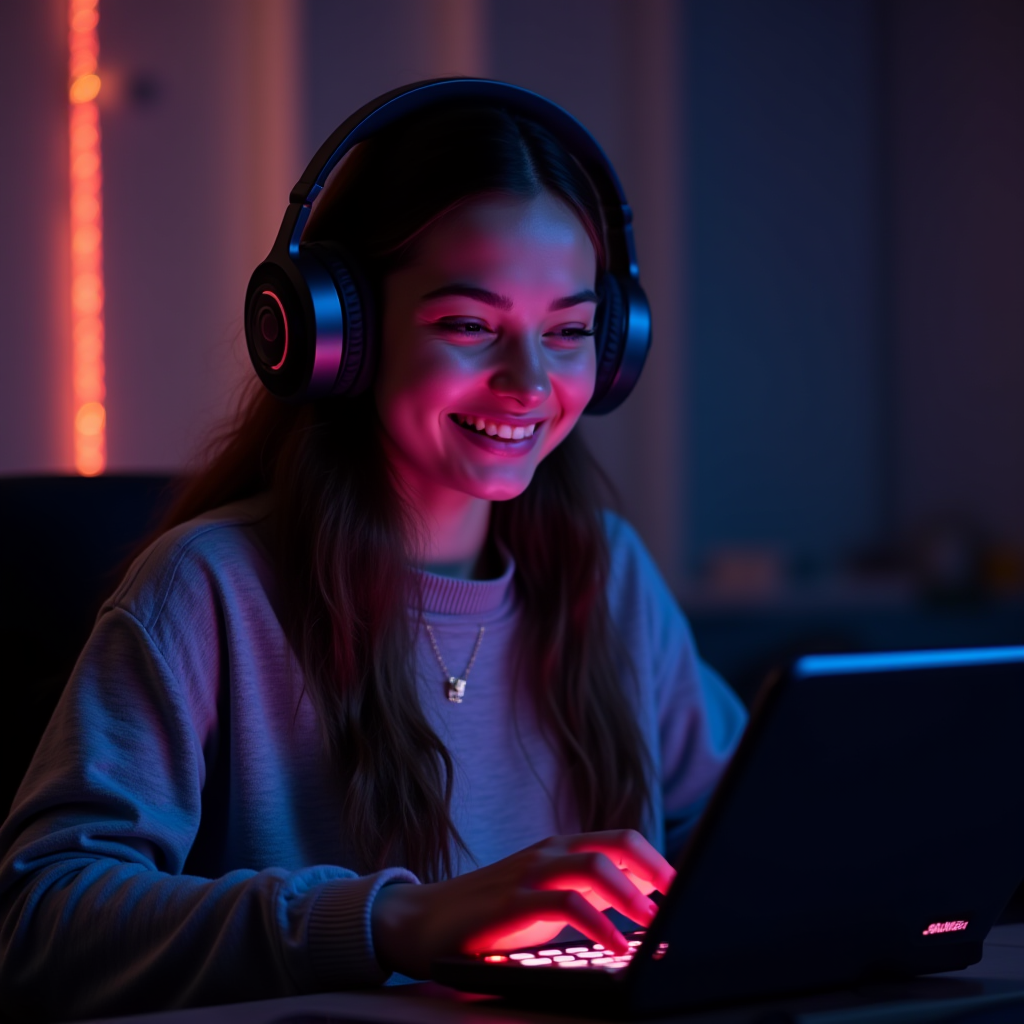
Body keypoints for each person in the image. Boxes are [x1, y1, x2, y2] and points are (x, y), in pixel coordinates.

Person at [0, 85, 746, 1020]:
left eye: (567, 332)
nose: (528, 383)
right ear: (336, 335)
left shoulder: (605, 570)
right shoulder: (213, 590)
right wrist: (395, 922)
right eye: (468, 326)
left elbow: (752, 830)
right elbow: (43, 922)